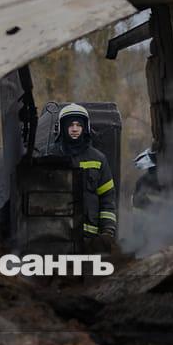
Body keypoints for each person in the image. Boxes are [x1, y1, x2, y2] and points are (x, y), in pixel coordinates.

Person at [54, 103, 117, 248]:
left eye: (78, 125)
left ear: (85, 128)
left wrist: (107, 232)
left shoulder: (98, 159)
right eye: (70, 125)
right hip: (56, 238)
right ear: (62, 127)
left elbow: (107, 199)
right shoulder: (50, 157)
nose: (75, 129)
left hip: (89, 240)